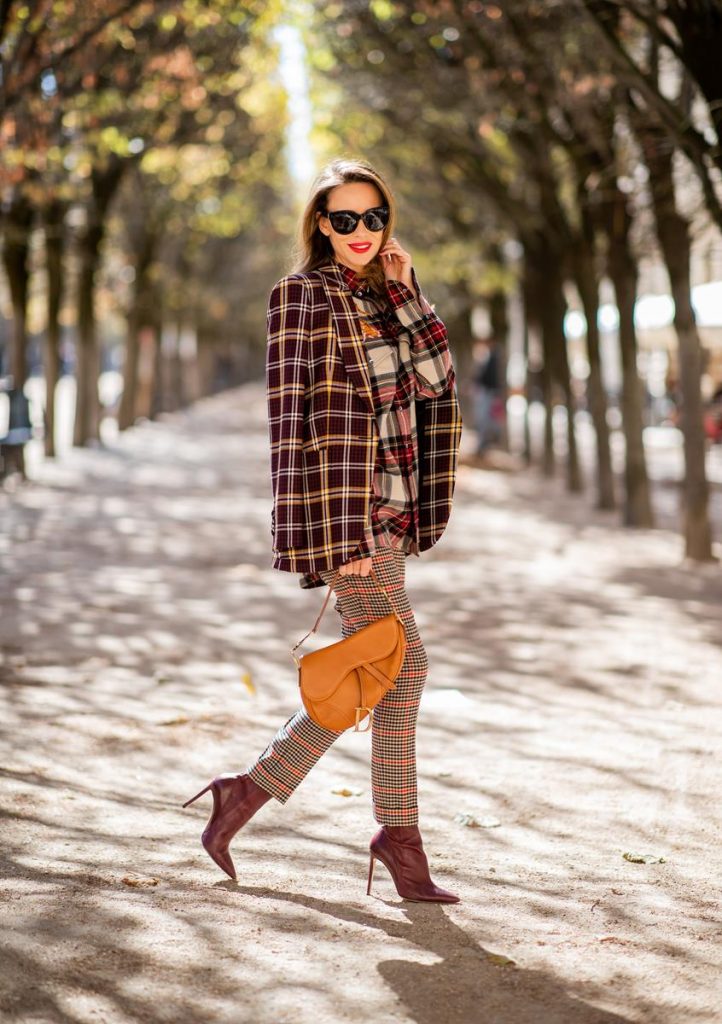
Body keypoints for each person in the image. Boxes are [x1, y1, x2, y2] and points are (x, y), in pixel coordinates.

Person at [182, 158, 463, 903]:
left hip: (396, 512)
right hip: (350, 518)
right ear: (319, 224)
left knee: (396, 675)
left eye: (374, 218)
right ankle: (388, 837)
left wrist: (408, 290)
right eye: (345, 219)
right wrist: (339, 542)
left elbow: (438, 381)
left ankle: (252, 796)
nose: (362, 232)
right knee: (408, 666)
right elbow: (289, 425)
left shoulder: (388, 297)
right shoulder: (298, 297)